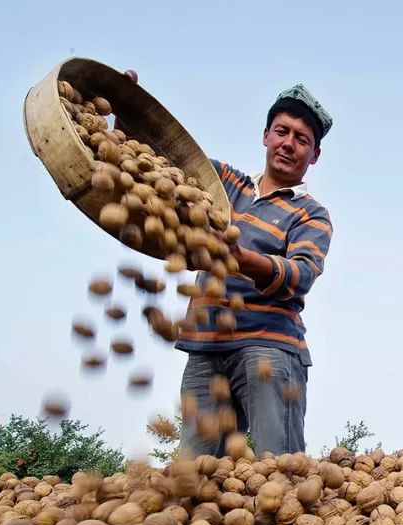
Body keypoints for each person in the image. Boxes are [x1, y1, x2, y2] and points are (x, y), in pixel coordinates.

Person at [122, 73, 334, 457]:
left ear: (314, 154)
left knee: (279, 469)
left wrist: (240, 260)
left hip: (269, 349)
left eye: (302, 139)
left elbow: (299, 275)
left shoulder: (311, 214)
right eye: (282, 132)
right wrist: (125, 113)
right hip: (205, 346)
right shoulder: (222, 182)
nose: (289, 144)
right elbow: (152, 167)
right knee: (197, 473)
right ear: (265, 135)